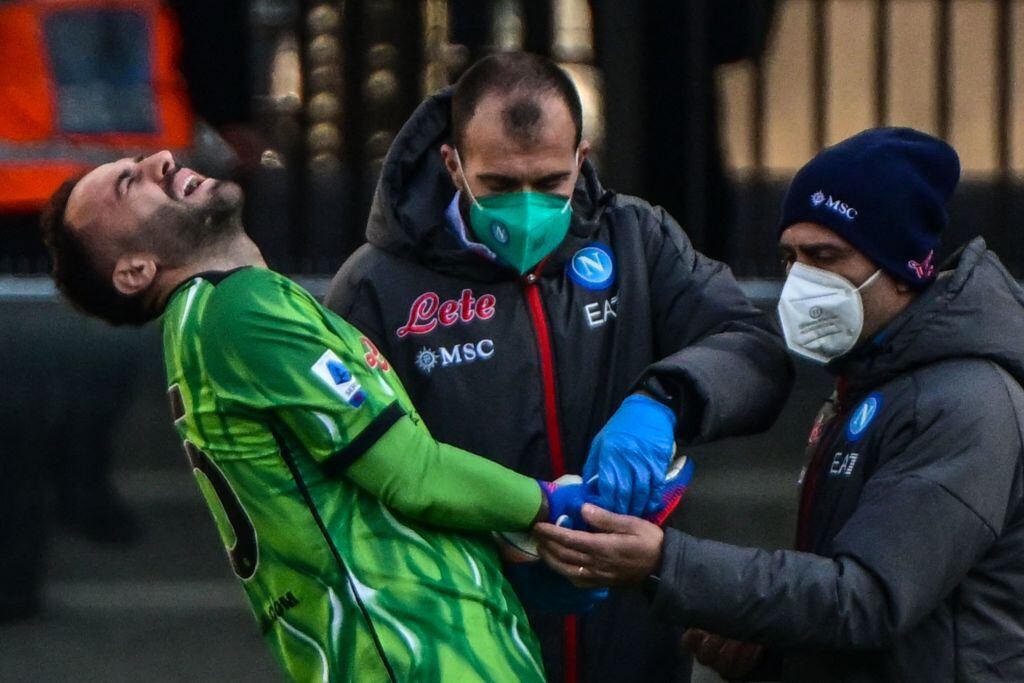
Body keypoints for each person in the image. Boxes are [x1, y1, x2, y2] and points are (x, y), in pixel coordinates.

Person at [36, 150, 624, 682]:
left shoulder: (217, 319)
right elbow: (411, 474)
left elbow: (360, 500)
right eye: (128, 184)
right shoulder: (237, 309)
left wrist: (509, 552)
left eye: (139, 160)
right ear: (135, 270)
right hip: (419, 648)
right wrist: (552, 506)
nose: (160, 160)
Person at [325, 52, 793, 683]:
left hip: (629, 630)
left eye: (549, 184)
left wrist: (663, 402)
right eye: (498, 185)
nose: (526, 208)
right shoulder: (376, 286)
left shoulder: (636, 239)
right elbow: (347, 473)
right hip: (466, 632)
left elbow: (753, 347)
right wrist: (501, 548)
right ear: (452, 163)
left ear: (581, 157)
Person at [534, 128, 1024, 682]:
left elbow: (865, 600)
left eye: (825, 256)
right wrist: (774, 647)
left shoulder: (965, 403)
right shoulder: (873, 384)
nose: (800, 280)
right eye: (790, 256)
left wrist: (663, 564)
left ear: (905, 268)